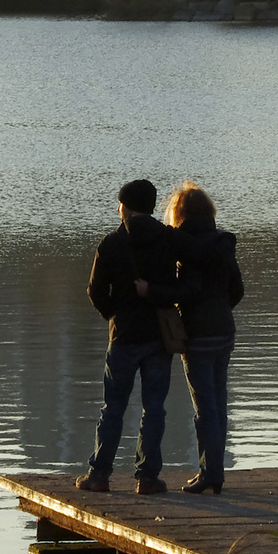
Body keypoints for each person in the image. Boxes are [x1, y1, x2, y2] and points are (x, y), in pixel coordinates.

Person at [81, 179, 177, 494]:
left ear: (126, 206)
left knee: (114, 406)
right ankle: (147, 477)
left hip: (123, 336)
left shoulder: (111, 243)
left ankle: (99, 476)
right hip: (159, 336)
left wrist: (114, 313)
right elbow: (181, 283)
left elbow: (95, 292)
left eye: (120, 203)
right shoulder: (168, 240)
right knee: (155, 407)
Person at [150, 182, 242, 494]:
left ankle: (210, 473)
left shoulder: (183, 247)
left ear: (179, 212)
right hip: (224, 331)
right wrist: (219, 309)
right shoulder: (223, 244)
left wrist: (159, 295)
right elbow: (237, 290)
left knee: (205, 408)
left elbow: (187, 290)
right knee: (218, 401)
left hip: (198, 335)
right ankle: (213, 471)